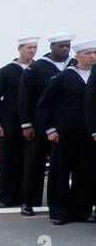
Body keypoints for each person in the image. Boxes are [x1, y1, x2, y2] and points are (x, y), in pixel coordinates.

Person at [36, 39, 96, 225]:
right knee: (60, 173)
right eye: (88, 53)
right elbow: (44, 105)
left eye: (95, 53)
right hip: (65, 134)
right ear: (77, 56)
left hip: (89, 134)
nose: (92, 57)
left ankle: (82, 210)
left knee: (86, 174)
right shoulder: (63, 77)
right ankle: (59, 212)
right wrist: (51, 129)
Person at [18, 33, 75, 216]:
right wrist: (26, 124)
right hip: (40, 122)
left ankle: (62, 202)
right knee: (34, 163)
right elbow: (25, 97)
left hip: (66, 124)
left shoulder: (74, 65)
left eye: (67, 46)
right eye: (61, 46)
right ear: (51, 47)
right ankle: (28, 201)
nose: (65, 49)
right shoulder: (37, 68)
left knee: (63, 166)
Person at [0, 36, 38, 209]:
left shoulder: (39, 69)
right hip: (9, 122)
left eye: (34, 47)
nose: (32, 50)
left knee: (29, 161)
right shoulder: (6, 71)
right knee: (7, 160)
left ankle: (28, 197)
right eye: (28, 47)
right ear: (20, 49)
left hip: (32, 122)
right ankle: (7, 197)